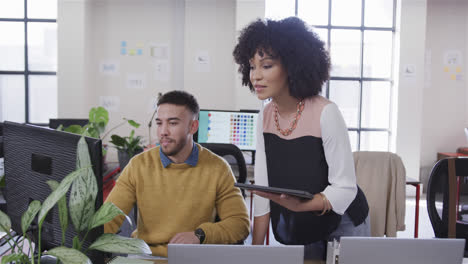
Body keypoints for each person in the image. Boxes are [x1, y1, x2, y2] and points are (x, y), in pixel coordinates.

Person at [233, 17, 370, 260]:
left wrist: (302, 206)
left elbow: (345, 188)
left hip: (344, 220)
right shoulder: (264, 117)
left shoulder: (326, 113)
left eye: (266, 66)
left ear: (292, 66)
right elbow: (264, 193)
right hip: (301, 219)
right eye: (252, 66)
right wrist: (253, 253)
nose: (256, 76)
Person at [104, 90, 250, 257]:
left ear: (193, 126)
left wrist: (199, 235)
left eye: (172, 123)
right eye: (159, 123)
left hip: (193, 257)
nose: (163, 131)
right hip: (146, 257)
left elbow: (240, 224)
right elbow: (107, 220)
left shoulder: (218, 168)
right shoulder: (139, 165)